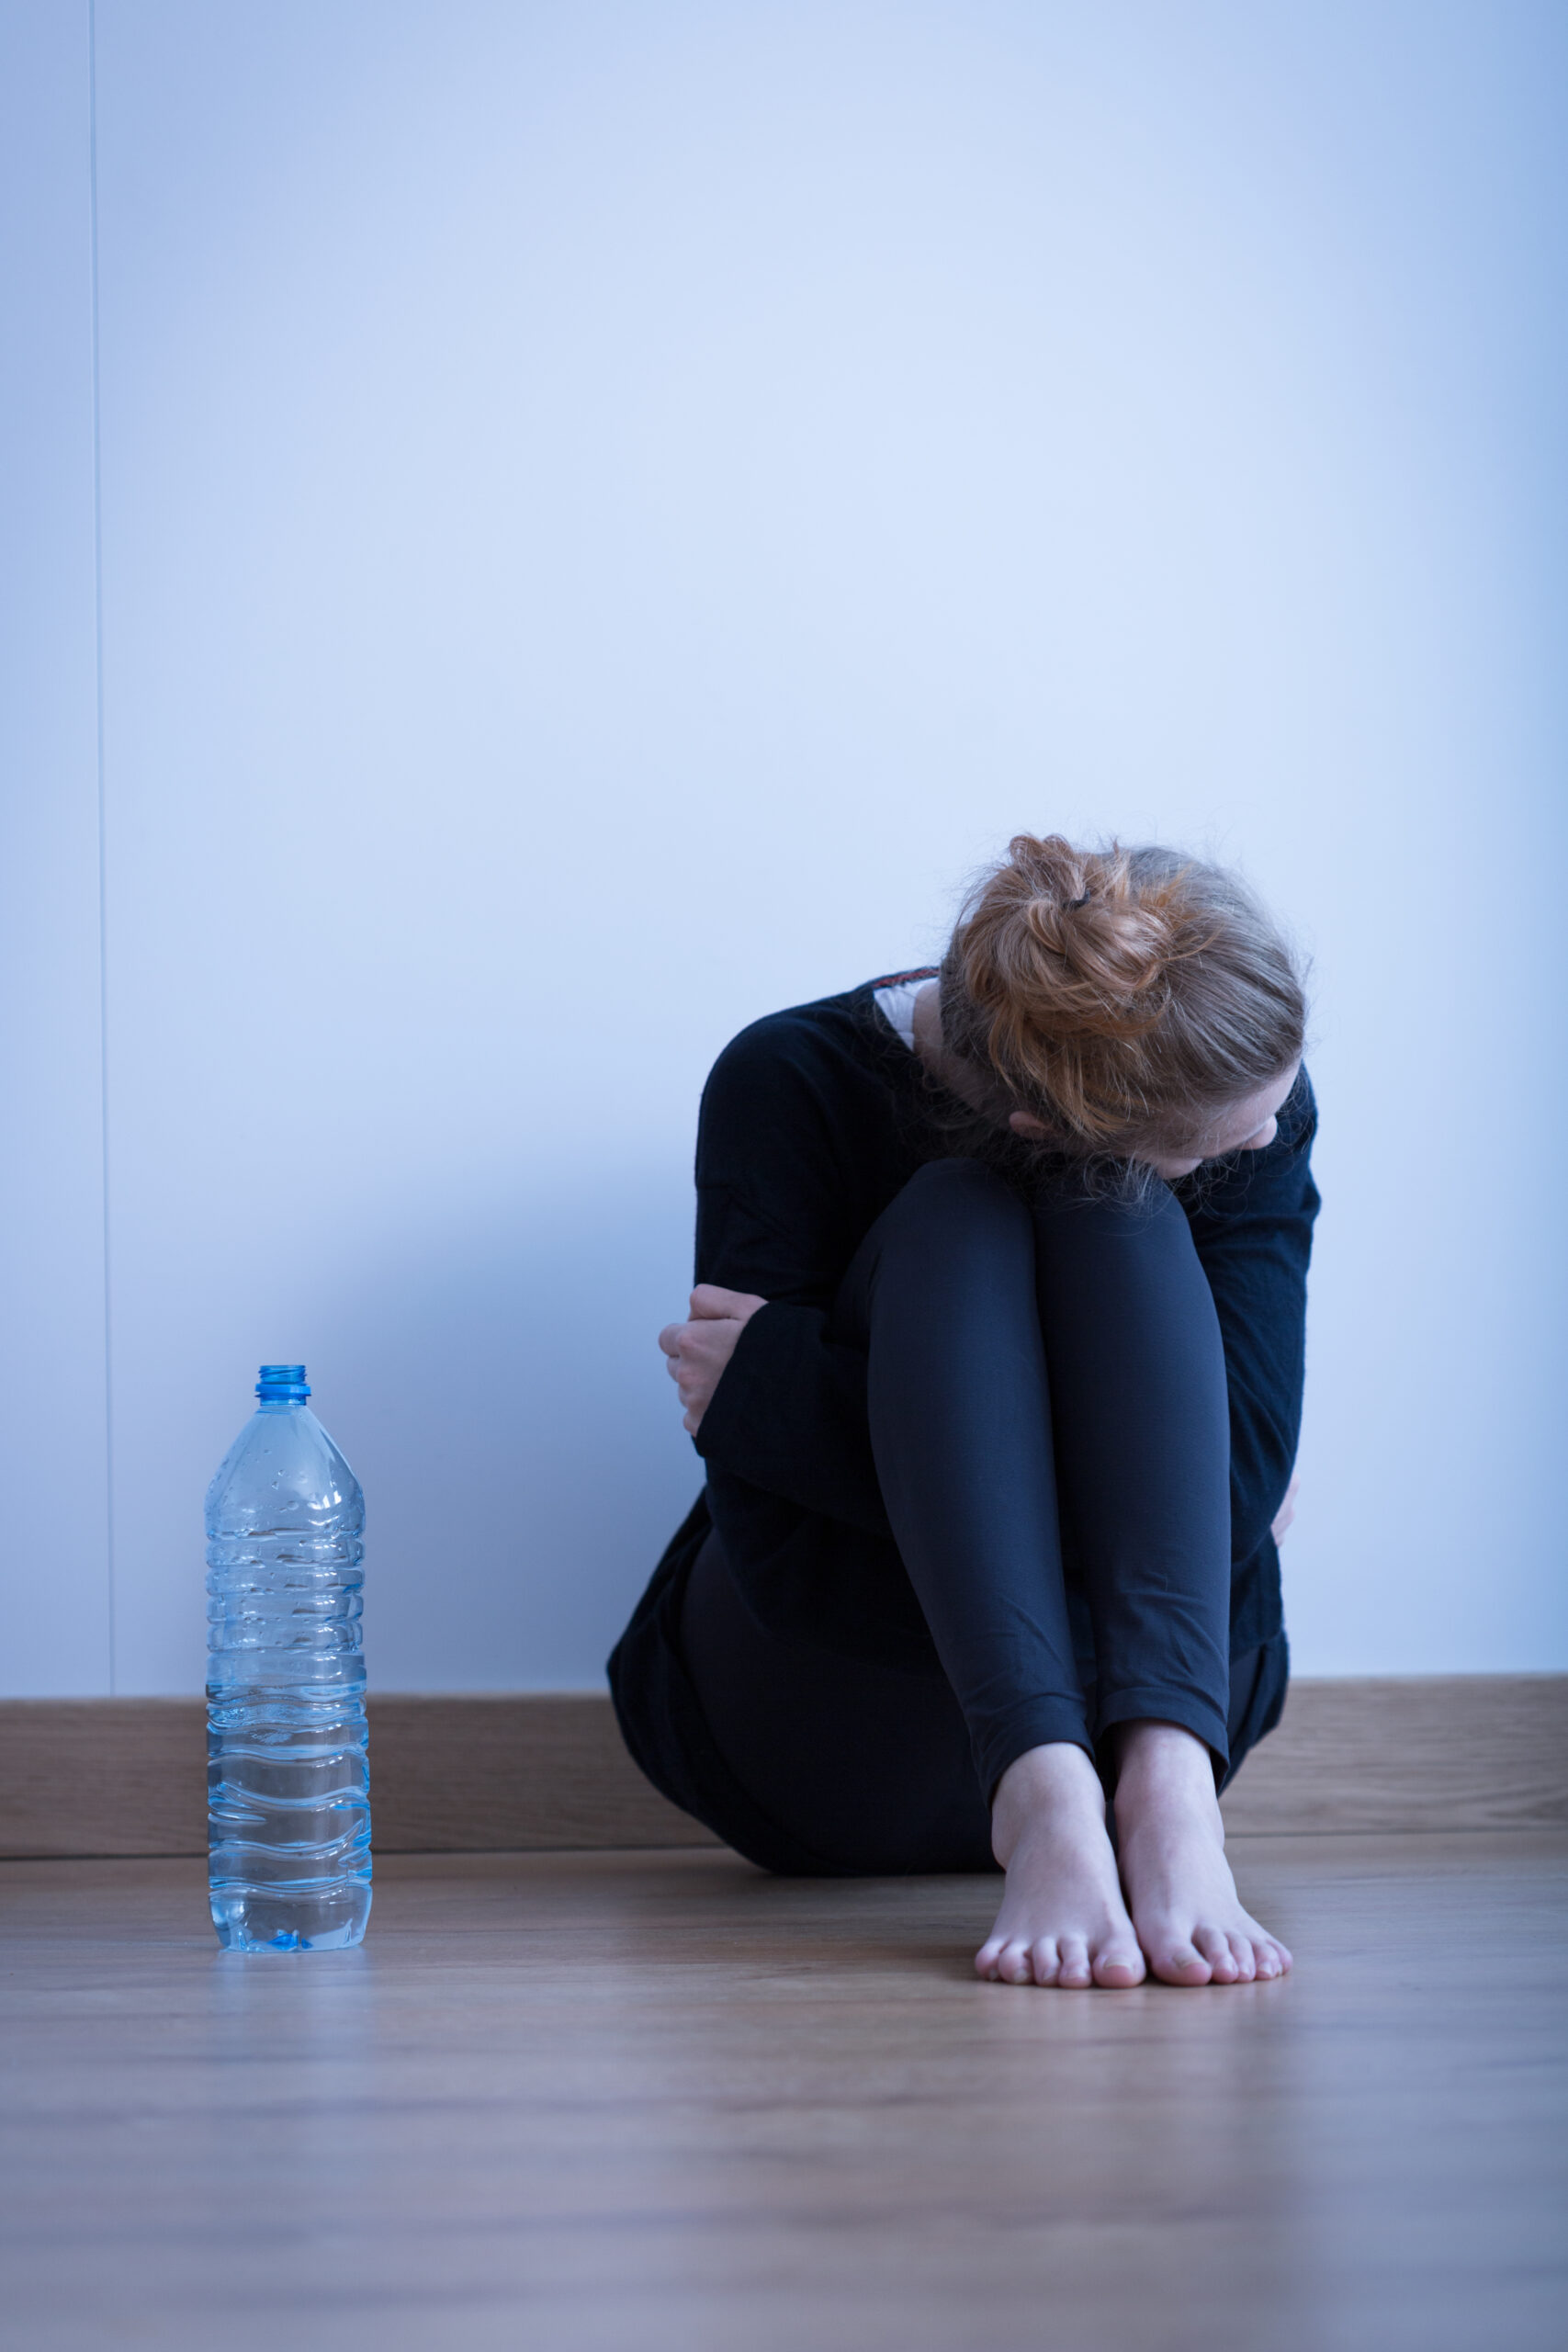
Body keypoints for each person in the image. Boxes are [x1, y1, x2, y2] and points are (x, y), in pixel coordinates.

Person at [609, 833, 1317, 1988]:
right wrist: (1138, 1465)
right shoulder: (789, 1080)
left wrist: (780, 1389)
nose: (1265, 1139)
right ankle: (1036, 1792)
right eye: (1222, 1145)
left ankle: (1169, 1795)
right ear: (1043, 1118)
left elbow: (1235, 1485)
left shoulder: (1231, 1077)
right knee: (959, 1217)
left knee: (1123, 1220)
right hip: (842, 1716)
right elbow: (780, 1549)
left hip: (1159, 1704)